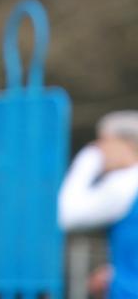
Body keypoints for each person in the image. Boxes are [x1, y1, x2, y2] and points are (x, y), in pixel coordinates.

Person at [59, 110, 138, 299]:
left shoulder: (125, 183)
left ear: (121, 143)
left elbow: (66, 214)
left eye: (102, 142)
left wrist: (87, 159)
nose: (100, 149)